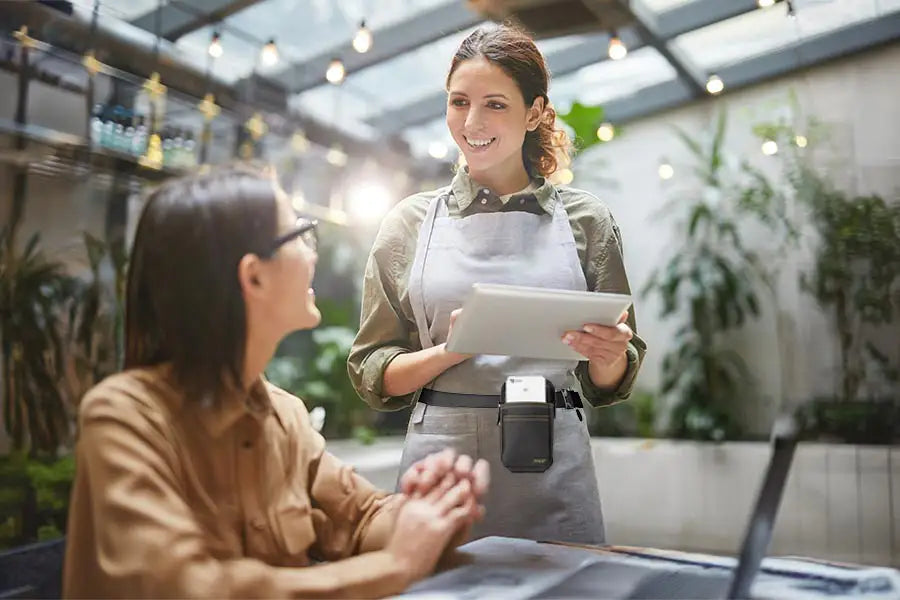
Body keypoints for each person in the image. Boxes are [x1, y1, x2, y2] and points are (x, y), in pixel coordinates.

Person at [63, 164, 490, 599]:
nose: (313, 254)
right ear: (253, 276)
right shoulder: (124, 418)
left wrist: (432, 510)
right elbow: (186, 587)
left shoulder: (284, 416)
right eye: (298, 236)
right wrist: (394, 566)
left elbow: (362, 518)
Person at [348, 25, 647, 545]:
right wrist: (451, 351)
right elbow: (373, 372)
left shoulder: (587, 221)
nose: (472, 123)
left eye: (494, 105)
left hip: (554, 467)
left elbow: (610, 380)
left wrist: (608, 353)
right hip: (439, 473)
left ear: (534, 112)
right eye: (458, 102)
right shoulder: (409, 224)